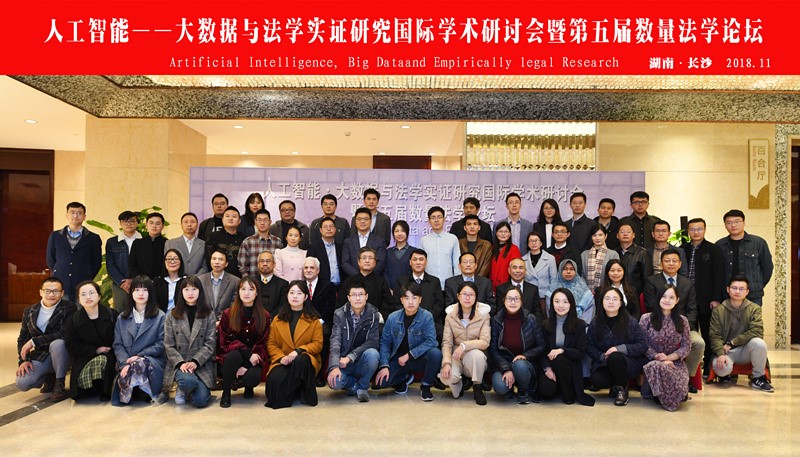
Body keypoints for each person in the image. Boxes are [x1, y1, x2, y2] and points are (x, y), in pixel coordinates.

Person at [644, 248, 704, 393]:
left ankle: (687, 378)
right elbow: (650, 305)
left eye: (674, 261)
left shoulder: (687, 283)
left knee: (698, 343)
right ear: (661, 263)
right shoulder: (652, 281)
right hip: (658, 324)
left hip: (681, 325)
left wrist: (684, 328)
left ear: (680, 264)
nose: (671, 263)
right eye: (667, 260)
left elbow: (692, 309)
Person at [374, 283, 443, 401]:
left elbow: (431, 341)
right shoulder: (393, 318)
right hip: (398, 360)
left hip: (419, 358)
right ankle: (404, 378)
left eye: (414, 298)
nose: (410, 302)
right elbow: (385, 343)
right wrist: (384, 365)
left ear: (420, 299)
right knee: (382, 383)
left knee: (436, 353)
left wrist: (409, 354)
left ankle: (426, 386)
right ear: (401, 300)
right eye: (406, 298)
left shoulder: (427, 316)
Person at [159, 276, 216, 407]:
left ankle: (189, 390)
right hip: (180, 364)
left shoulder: (209, 314)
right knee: (187, 381)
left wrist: (195, 362)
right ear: (181, 292)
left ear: (200, 291)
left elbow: (210, 343)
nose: (190, 293)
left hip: (201, 365)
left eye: (194, 289)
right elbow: (168, 344)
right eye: (186, 289)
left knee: (200, 402)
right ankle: (184, 387)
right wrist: (181, 363)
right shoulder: (172, 315)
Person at [709, 275, 774, 392]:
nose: (737, 291)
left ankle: (758, 378)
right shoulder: (719, 310)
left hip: (745, 350)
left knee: (759, 343)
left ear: (747, 292)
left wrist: (733, 342)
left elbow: (757, 331)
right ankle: (725, 375)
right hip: (726, 351)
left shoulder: (754, 308)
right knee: (722, 370)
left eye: (741, 289)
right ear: (728, 289)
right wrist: (720, 353)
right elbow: (714, 335)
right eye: (734, 288)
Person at [265, 281, 323, 409]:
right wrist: (281, 357)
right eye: (292, 293)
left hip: (305, 360)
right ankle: (296, 389)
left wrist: (298, 351)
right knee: (275, 380)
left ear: (306, 297)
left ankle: (296, 392)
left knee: (302, 360)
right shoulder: (277, 319)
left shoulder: (314, 320)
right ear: (287, 296)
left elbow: (318, 344)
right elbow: (271, 343)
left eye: (299, 293)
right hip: (284, 359)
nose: (295, 296)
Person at [586, 288, 648, 406]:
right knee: (597, 380)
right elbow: (589, 346)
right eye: (607, 299)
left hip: (628, 364)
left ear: (620, 303)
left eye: (615, 299)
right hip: (605, 363)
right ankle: (615, 386)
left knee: (615, 357)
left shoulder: (630, 321)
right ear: (602, 302)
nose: (611, 302)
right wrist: (602, 356)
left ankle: (622, 389)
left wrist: (619, 349)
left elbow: (643, 345)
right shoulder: (596, 322)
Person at [15, 277, 74, 402]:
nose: (51, 294)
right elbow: (22, 338)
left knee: (58, 344)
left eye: (56, 291)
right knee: (22, 383)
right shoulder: (29, 311)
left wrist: (34, 341)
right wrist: (24, 360)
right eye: (47, 291)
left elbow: (64, 333)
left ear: (62, 293)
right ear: (41, 292)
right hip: (42, 355)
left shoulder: (69, 308)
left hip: (63, 353)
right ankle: (49, 376)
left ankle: (59, 383)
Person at [112, 275, 166, 406]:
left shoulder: (160, 316)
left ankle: (142, 389)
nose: (140, 294)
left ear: (150, 293)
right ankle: (135, 388)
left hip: (152, 361)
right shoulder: (122, 318)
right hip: (127, 361)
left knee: (140, 363)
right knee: (132, 367)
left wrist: (139, 356)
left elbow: (161, 344)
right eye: (136, 290)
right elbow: (118, 345)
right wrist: (124, 363)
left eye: (145, 290)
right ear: (131, 293)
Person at [681, 217, 726, 375]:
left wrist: (716, 298)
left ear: (705, 230)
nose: (696, 232)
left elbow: (719, 275)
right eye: (692, 229)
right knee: (689, 334)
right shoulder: (682, 249)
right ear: (688, 231)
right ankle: (689, 368)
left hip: (707, 299)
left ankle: (707, 366)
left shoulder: (713, 249)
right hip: (687, 300)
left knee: (707, 334)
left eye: (699, 229)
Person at [217, 277, 269, 407]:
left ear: (256, 293)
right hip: (232, 357)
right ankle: (226, 392)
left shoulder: (264, 316)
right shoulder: (228, 314)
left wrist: (247, 365)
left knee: (253, 378)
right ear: (238, 292)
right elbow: (225, 341)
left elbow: (263, 343)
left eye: (251, 289)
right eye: (243, 289)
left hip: (254, 358)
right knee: (234, 356)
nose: (246, 293)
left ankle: (246, 386)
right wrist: (247, 355)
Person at [537, 288, 595, 406]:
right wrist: (547, 368)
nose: (561, 305)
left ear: (571, 304)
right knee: (547, 392)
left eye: (565, 302)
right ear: (552, 304)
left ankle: (568, 392)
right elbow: (542, 351)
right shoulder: (545, 325)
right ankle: (558, 387)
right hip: (550, 366)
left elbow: (580, 353)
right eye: (557, 301)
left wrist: (562, 350)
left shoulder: (579, 325)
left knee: (559, 358)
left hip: (570, 367)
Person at [489, 287, 546, 404]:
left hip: (525, 364)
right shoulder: (496, 320)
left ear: (521, 301)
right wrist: (506, 369)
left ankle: (524, 390)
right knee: (500, 386)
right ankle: (509, 388)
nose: (513, 302)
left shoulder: (531, 319)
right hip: (503, 363)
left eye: (516, 299)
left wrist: (525, 355)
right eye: (509, 299)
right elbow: (493, 349)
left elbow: (541, 346)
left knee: (519, 365)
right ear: (504, 301)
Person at [327, 281, 381, 402]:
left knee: (373, 354)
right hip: (343, 363)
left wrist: (351, 357)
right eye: (354, 295)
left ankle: (362, 387)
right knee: (334, 382)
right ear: (348, 298)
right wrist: (334, 366)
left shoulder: (373, 314)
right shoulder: (339, 314)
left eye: (361, 294)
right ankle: (354, 385)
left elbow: (372, 342)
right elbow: (335, 341)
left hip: (361, 360)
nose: (357, 298)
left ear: (366, 296)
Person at [639, 285, 691, 411]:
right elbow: (642, 344)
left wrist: (668, 358)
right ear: (658, 298)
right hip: (652, 361)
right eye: (664, 296)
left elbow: (686, 347)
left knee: (680, 386)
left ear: (677, 300)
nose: (667, 300)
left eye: (671, 297)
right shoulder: (646, 319)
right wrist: (658, 357)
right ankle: (662, 394)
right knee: (657, 366)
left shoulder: (683, 321)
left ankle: (674, 393)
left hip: (674, 362)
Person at [64, 280, 119, 401]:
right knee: (78, 394)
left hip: (110, 355)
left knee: (103, 361)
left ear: (99, 296)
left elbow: (121, 339)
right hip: (85, 356)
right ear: (79, 300)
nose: (88, 297)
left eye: (91, 293)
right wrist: (96, 350)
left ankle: (104, 389)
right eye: (83, 294)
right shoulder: (73, 320)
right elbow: (71, 345)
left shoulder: (112, 315)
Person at [439, 282, 491, 405]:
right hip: (456, 357)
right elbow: (447, 343)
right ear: (458, 296)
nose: (467, 298)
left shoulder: (483, 315)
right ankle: (459, 385)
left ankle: (477, 386)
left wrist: (464, 345)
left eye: (471, 295)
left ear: (476, 297)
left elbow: (485, 341)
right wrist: (446, 363)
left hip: (474, 358)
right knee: (445, 377)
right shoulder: (450, 315)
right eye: (464, 294)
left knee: (477, 355)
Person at [715, 209, 774, 305]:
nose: (733, 225)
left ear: (744, 222)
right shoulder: (719, 245)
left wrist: (757, 285)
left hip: (752, 295)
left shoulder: (758, 243)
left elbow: (767, 268)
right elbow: (716, 271)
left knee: (752, 316)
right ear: (725, 225)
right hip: (726, 295)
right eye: (729, 222)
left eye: (737, 221)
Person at [46, 202, 102, 301]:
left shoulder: (93, 238)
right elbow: (50, 259)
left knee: (81, 310)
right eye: (72, 212)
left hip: (83, 284)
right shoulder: (55, 236)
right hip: (61, 283)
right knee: (62, 310)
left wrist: (88, 275)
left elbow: (96, 262)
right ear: (66, 215)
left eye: (79, 213)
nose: (75, 216)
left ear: (84, 217)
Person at [393, 248, 445, 340]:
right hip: (406, 321)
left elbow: (439, 304)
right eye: (415, 259)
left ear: (426, 262)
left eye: (421, 259)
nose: (418, 262)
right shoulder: (401, 281)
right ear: (410, 262)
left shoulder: (434, 281)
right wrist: (411, 317)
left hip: (430, 321)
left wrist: (426, 318)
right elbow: (396, 303)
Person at [302, 256, 337, 386]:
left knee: (324, 333)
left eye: (312, 268)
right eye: (306, 268)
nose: (308, 270)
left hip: (322, 321)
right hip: (303, 321)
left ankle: (319, 374)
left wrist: (318, 322)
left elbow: (330, 308)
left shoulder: (328, 285)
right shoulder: (298, 285)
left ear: (318, 270)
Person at [338, 247, 395, 321]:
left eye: (370, 258)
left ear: (375, 262)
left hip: (376, 322)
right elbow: (340, 305)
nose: (367, 261)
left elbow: (388, 306)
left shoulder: (381, 282)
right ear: (358, 262)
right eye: (364, 258)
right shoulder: (348, 281)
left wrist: (377, 318)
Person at [105, 210, 141, 310]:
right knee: (120, 313)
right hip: (119, 285)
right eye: (125, 221)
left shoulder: (144, 240)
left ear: (137, 223)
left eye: (132, 221)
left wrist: (134, 280)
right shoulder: (112, 242)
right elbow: (110, 265)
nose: (129, 224)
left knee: (141, 311)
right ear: (120, 223)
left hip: (140, 284)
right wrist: (122, 283)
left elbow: (146, 264)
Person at [419, 206, 460, 289]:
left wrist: (457, 282)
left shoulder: (452, 238)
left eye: (439, 217)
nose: (436, 220)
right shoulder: (423, 240)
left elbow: (457, 262)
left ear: (444, 219)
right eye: (433, 218)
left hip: (448, 284)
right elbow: (420, 263)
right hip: (428, 284)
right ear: (429, 221)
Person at [237, 208, 283, 278]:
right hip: (253, 282)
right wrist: (249, 281)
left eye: (265, 220)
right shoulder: (248, 242)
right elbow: (242, 266)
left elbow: (280, 265)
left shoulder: (278, 242)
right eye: (259, 220)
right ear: (255, 222)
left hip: (274, 282)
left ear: (270, 222)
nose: (262, 223)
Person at [342, 207, 387, 277]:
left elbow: (381, 262)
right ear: (355, 221)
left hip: (373, 280)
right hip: (353, 280)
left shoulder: (379, 241)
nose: (362, 221)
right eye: (359, 219)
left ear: (371, 221)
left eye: (366, 219)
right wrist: (358, 276)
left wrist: (368, 276)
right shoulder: (348, 241)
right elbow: (345, 263)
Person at [198, 249, 240, 318]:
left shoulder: (235, 281)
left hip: (225, 320)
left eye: (220, 259)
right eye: (214, 259)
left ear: (226, 264)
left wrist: (223, 320)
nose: (216, 262)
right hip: (204, 320)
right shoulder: (200, 280)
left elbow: (234, 305)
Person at [522, 231, 558, 310]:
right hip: (529, 297)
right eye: (531, 241)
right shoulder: (523, 260)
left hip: (544, 296)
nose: (533, 243)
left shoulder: (550, 258)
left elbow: (554, 280)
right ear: (528, 244)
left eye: (536, 240)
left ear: (541, 243)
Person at [550, 259, 594, 324]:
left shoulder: (584, 290)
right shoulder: (552, 288)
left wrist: (580, 325)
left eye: (572, 269)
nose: (568, 272)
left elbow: (589, 311)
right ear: (560, 270)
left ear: (576, 271)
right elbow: (550, 310)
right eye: (565, 269)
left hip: (580, 326)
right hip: (557, 324)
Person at [205, 206, 246, 277]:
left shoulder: (244, 239)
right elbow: (209, 259)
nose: (231, 218)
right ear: (222, 220)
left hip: (239, 277)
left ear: (239, 221)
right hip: (217, 276)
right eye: (227, 216)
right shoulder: (213, 237)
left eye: (234, 216)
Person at [165, 212, 207, 276]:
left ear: (197, 225)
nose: (189, 224)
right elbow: (168, 263)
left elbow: (205, 266)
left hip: (198, 280)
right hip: (177, 279)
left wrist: (195, 278)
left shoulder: (204, 244)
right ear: (181, 225)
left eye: (192, 222)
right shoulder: (170, 243)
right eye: (186, 222)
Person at [580, 223, 620, 291]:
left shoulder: (613, 254)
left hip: (606, 291)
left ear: (606, 236)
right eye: (594, 235)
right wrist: (587, 291)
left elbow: (615, 275)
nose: (597, 238)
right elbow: (581, 275)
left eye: (600, 235)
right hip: (587, 292)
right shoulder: (584, 254)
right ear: (591, 237)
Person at [615, 221, 651, 296]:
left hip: (636, 294)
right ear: (617, 236)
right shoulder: (614, 253)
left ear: (633, 235)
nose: (625, 234)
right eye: (622, 232)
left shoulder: (642, 253)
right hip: (616, 293)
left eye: (628, 232)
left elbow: (647, 277)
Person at [128, 212, 167, 279]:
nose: (154, 226)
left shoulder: (167, 243)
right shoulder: (137, 243)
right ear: (146, 225)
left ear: (163, 226)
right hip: (140, 282)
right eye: (151, 223)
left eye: (158, 223)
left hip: (161, 281)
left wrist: (160, 279)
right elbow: (132, 264)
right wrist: (140, 279)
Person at [306, 216, 343, 286]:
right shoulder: (314, 247)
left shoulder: (340, 247)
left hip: (340, 285)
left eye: (331, 226)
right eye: (325, 227)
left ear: (335, 229)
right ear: (321, 230)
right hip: (322, 286)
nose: (329, 229)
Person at [489, 221, 522, 291]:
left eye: (506, 231)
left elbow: (516, 270)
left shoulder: (514, 249)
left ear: (510, 234)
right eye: (500, 231)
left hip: (507, 288)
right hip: (492, 287)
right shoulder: (492, 248)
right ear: (496, 233)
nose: (503, 234)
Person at [255, 251, 289, 317]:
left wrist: (269, 318)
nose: (265, 264)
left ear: (274, 264)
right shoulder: (252, 283)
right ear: (258, 264)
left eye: (268, 261)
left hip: (274, 319)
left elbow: (283, 306)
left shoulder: (283, 284)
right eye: (262, 261)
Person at [385, 220, 414, 290]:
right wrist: (388, 288)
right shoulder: (387, 252)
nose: (399, 234)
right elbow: (385, 272)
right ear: (393, 234)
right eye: (397, 231)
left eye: (403, 231)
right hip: (390, 291)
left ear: (407, 233)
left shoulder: (414, 252)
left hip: (409, 291)